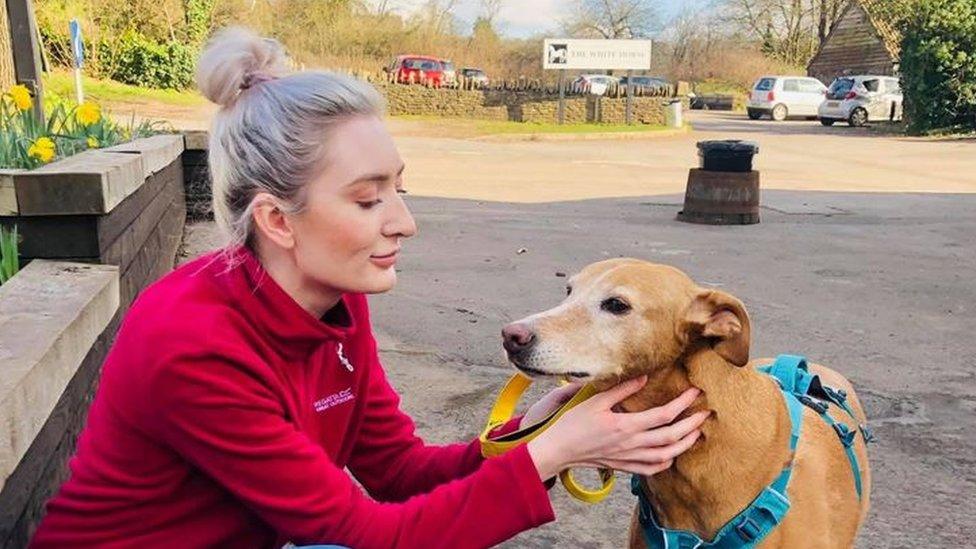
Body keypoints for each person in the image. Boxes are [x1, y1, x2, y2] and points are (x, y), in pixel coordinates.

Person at [30, 28, 707, 548]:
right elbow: (377, 535)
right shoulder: (193, 344)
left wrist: (532, 430)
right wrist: (560, 451)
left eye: (399, 188)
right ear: (275, 219)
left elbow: (400, 472)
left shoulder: (334, 301)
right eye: (366, 200)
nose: (404, 222)